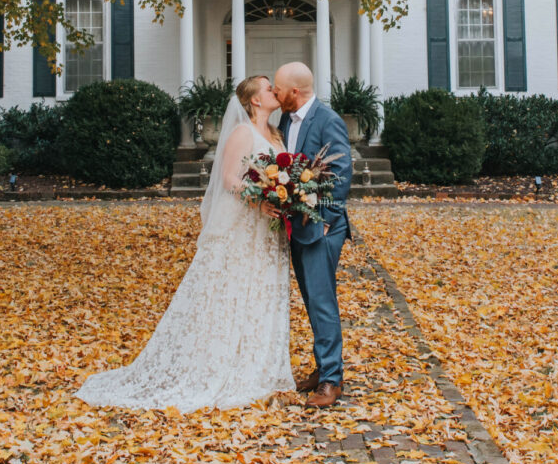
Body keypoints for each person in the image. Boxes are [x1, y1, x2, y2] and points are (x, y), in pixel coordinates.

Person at [75, 75, 293, 411]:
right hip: (243, 225)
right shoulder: (242, 133)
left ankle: (255, 364)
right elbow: (229, 179)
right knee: (229, 293)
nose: (274, 91)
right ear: (254, 100)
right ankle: (217, 365)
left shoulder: (276, 135)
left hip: (267, 229)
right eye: (267, 88)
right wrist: (258, 200)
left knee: (259, 290)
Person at [272, 61, 353, 408]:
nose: (275, 95)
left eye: (278, 89)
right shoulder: (286, 120)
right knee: (311, 301)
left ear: (295, 92)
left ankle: (332, 381)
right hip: (297, 228)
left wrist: (327, 220)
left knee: (322, 302)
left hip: (321, 228)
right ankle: (323, 369)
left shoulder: (328, 119)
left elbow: (340, 172)